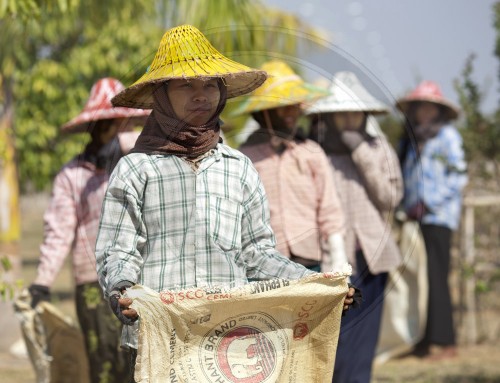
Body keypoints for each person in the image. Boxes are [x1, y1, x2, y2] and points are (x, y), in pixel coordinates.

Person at [94, 25, 357, 381]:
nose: (200, 94)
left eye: (209, 85)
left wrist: (316, 285)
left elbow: (257, 253)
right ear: (161, 94)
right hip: (161, 340)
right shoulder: (136, 169)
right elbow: (118, 251)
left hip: (232, 345)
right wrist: (125, 293)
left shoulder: (238, 167)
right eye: (185, 84)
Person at [28, 77, 150, 383]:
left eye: (119, 123)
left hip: (140, 280)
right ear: (93, 127)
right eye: (106, 124)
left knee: (141, 362)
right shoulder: (72, 176)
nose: (113, 130)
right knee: (104, 364)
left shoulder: (139, 163)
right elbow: (59, 231)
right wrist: (43, 282)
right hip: (93, 286)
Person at [306, 71, 403, 383]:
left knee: (365, 336)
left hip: (373, 256)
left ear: (364, 115)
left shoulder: (378, 149)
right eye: (342, 113)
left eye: (355, 112)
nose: (349, 119)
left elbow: (391, 197)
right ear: (330, 117)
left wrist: (360, 150)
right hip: (333, 258)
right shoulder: (316, 153)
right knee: (338, 335)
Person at [234, 60, 347, 273]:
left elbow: (329, 207)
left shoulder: (311, 152)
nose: (289, 113)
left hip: (309, 258)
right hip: (264, 262)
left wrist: (339, 257)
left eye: (293, 105)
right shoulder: (245, 157)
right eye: (281, 107)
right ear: (262, 114)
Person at [396, 80, 468, 360]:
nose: (424, 112)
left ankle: (445, 342)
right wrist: (407, 206)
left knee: (437, 277)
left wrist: (429, 202)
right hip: (413, 219)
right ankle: (421, 340)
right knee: (418, 280)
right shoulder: (410, 139)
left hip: (439, 218)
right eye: (420, 107)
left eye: (429, 107)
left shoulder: (448, 137)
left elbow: (459, 177)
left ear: (438, 111)